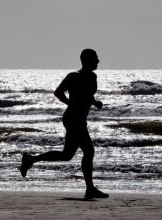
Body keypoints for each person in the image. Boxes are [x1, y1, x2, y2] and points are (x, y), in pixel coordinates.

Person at [20, 49, 109, 199]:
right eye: (95, 59)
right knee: (89, 151)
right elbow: (58, 92)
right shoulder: (73, 77)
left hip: (79, 119)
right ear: (86, 60)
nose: (98, 61)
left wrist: (95, 102)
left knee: (66, 155)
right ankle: (90, 189)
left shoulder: (93, 77)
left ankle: (30, 159)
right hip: (73, 118)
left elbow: (87, 94)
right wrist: (70, 103)